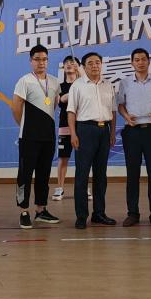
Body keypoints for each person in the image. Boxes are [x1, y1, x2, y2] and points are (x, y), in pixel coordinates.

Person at [118, 48, 151, 227]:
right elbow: (120, 105)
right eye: (137, 60)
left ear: (149, 61)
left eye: (143, 59)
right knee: (132, 174)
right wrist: (126, 116)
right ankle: (132, 213)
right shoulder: (125, 83)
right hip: (132, 132)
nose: (140, 62)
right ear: (132, 63)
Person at [11, 44, 61, 229]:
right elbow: (16, 107)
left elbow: (53, 105)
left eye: (44, 59)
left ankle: (41, 210)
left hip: (48, 137)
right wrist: (25, 126)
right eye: (37, 59)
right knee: (25, 175)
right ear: (31, 61)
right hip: (29, 137)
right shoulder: (24, 81)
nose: (41, 62)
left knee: (44, 174)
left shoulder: (54, 82)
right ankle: (23, 211)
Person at [68, 52, 118, 229]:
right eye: (90, 63)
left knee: (101, 175)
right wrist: (73, 134)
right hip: (85, 131)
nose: (95, 65)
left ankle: (99, 213)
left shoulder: (108, 85)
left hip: (104, 131)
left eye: (98, 62)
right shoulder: (77, 85)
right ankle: (81, 216)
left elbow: (113, 111)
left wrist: (112, 133)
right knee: (82, 175)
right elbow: (71, 112)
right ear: (83, 66)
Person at [52, 55, 81, 202]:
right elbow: (61, 100)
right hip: (65, 125)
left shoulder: (84, 84)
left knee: (83, 159)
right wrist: (76, 90)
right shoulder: (60, 86)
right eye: (67, 63)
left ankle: (83, 188)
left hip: (82, 126)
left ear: (78, 67)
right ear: (63, 67)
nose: (69, 64)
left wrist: (81, 84)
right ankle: (60, 188)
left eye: (72, 62)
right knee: (63, 158)